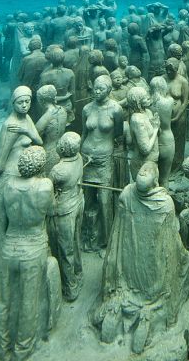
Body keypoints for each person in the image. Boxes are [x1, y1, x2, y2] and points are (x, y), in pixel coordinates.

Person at [91, 162, 189, 352]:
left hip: (127, 267)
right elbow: (171, 244)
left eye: (145, 170)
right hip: (153, 275)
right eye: (144, 170)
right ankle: (146, 315)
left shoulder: (127, 194)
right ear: (156, 181)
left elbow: (117, 234)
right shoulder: (165, 203)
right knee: (186, 261)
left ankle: (119, 307)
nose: (144, 170)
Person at [0, 86, 43, 312]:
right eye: (21, 102)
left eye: (28, 101)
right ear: (13, 104)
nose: (25, 105)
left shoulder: (26, 118)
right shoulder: (10, 126)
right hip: (9, 179)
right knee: (1, 234)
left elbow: (38, 140)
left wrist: (29, 134)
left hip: (23, 175)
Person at [0, 146, 55, 361]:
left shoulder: (7, 186)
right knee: (28, 302)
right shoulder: (45, 186)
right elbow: (52, 210)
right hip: (33, 248)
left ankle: (2, 347)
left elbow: (2, 220)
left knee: (3, 299)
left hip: (9, 246)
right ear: (41, 165)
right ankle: (22, 349)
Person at [81, 75, 123, 251]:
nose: (97, 92)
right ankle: (87, 235)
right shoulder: (86, 108)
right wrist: (78, 155)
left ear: (109, 90)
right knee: (86, 198)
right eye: (95, 88)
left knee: (105, 200)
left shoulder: (116, 109)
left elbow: (119, 134)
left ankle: (106, 238)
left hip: (105, 158)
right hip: (86, 157)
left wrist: (116, 155)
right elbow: (84, 132)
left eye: (101, 89)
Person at [48, 131, 84, 302]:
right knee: (75, 242)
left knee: (65, 249)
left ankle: (70, 287)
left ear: (62, 147)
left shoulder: (58, 170)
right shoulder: (79, 158)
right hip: (77, 202)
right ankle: (79, 273)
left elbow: (48, 191)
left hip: (64, 210)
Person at [125, 86, 160, 182]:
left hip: (151, 161)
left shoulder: (147, 112)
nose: (148, 97)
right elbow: (145, 149)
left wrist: (155, 123)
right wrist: (156, 128)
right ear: (137, 102)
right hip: (142, 164)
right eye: (145, 97)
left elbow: (155, 136)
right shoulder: (137, 119)